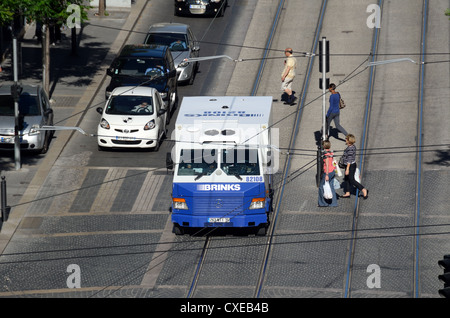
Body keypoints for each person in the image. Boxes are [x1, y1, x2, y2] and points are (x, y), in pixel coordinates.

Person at [340, 134, 369, 199]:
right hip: (349, 165)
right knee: (347, 179)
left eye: (346, 139)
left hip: (350, 166)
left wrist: (347, 169)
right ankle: (347, 192)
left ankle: (364, 190)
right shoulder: (352, 146)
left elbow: (349, 160)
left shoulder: (350, 149)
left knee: (351, 180)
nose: (345, 140)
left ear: (349, 140)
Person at [318, 140, 338, 207]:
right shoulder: (331, 153)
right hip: (332, 171)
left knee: (321, 187)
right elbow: (334, 162)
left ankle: (323, 203)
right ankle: (333, 203)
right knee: (331, 186)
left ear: (324, 146)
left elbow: (326, 165)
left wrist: (326, 175)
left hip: (328, 172)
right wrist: (335, 170)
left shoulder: (326, 154)